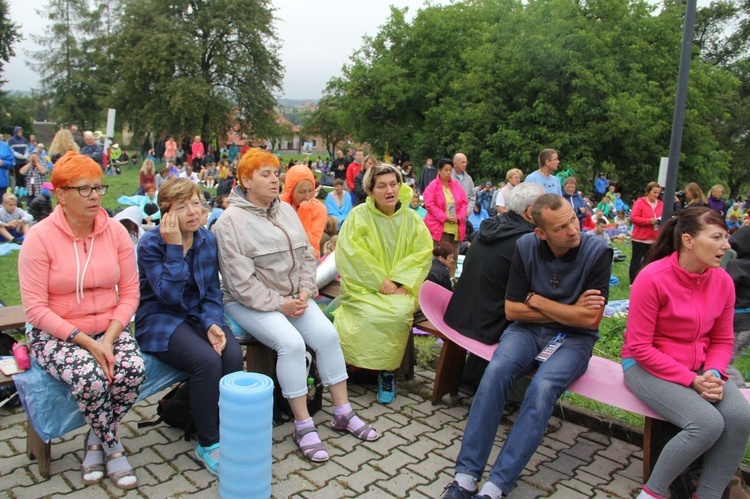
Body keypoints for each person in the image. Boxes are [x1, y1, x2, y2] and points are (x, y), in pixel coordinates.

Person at [441, 194, 612, 499]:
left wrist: (537, 299)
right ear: (541, 233)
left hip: (574, 339)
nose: (573, 230)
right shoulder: (526, 246)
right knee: (495, 373)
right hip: (527, 330)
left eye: (573, 219)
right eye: (561, 227)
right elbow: (512, 311)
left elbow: (590, 320)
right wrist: (570, 308)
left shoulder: (598, 251)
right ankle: (465, 477)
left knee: (542, 388)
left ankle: (496, 487)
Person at [214, 149, 378, 462]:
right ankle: (303, 425)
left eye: (275, 172)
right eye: (265, 174)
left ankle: (342, 412)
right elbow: (240, 283)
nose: (274, 179)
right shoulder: (229, 223)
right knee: (290, 344)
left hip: (294, 297)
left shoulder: (286, 211)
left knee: (328, 336)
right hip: (248, 302)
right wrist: (281, 304)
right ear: (245, 180)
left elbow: (306, 255)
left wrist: (305, 291)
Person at [18, 151, 144, 490]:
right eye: (83, 189)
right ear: (61, 194)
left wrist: (107, 338)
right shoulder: (39, 239)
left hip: (109, 327)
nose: (94, 196)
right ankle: (113, 446)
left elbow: (131, 292)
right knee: (90, 378)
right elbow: (35, 310)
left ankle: (95, 437)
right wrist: (87, 342)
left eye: (98, 188)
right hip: (56, 332)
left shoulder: (115, 232)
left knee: (132, 370)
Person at [622, 207, 750, 499]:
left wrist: (714, 373)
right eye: (717, 237)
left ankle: (707, 495)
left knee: (741, 417)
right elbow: (640, 347)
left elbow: (722, 340)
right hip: (644, 366)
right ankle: (651, 494)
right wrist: (691, 380)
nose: (727, 245)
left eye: (726, 237)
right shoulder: (652, 278)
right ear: (689, 241)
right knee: (707, 423)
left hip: (701, 368)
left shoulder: (723, 281)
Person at [135, 178, 243, 477]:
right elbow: (168, 296)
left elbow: (211, 292)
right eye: (182, 207)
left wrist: (212, 323)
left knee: (232, 356)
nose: (193, 212)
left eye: (196, 203)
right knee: (207, 362)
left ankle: (229, 427)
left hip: (197, 316)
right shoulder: (152, 243)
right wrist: (174, 248)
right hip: (160, 320)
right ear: (167, 213)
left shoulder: (206, 239)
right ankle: (208, 442)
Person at [335, 163, 432, 403]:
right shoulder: (358, 216)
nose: (389, 190)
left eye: (393, 184)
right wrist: (380, 282)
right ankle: (352, 366)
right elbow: (351, 254)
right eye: (381, 186)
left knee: (398, 316)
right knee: (360, 314)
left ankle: (387, 373)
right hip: (364, 287)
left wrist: (398, 281)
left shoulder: (412, 219)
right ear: (370, 191)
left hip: (402, 288)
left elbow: (422, 253)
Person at [444, 183, 543, 345]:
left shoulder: (492, 224)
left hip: (458, 315)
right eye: (545, 206)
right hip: (489, 328)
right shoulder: (527, 241)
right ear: (531, 212)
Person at [424, 158, 469, 276]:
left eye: (450, 170)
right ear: (439, 171)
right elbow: (429, 204)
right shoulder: (432, 186)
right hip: (439, 228)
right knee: (438, 258)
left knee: (453, 257)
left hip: (455, 229)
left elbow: (464, 203)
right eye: (446, 170)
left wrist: (459, 216)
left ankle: (451, 281)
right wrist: (444, 217)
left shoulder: (457, 186)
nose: (448, 173)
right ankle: (435, 281)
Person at [280, 164, 328, 259]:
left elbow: (313, 246)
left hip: (307, 259)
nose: (307, 196)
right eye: (301, 192)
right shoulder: (278, 204)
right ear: (290, 190)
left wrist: (304, 215)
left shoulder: (319, 209)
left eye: (311, 191)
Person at [629, 181, 663, 284]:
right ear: (648, 191)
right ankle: (633, 281)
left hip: (654, 237)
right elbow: (634, 218)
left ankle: (646, 280)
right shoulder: (640, 202)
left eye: (658, 193)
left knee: (650, 261)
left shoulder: (661, 204)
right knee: (637, 260)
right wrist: (648, 221)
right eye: (654, 193)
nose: (656, 195)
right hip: (640, 238)